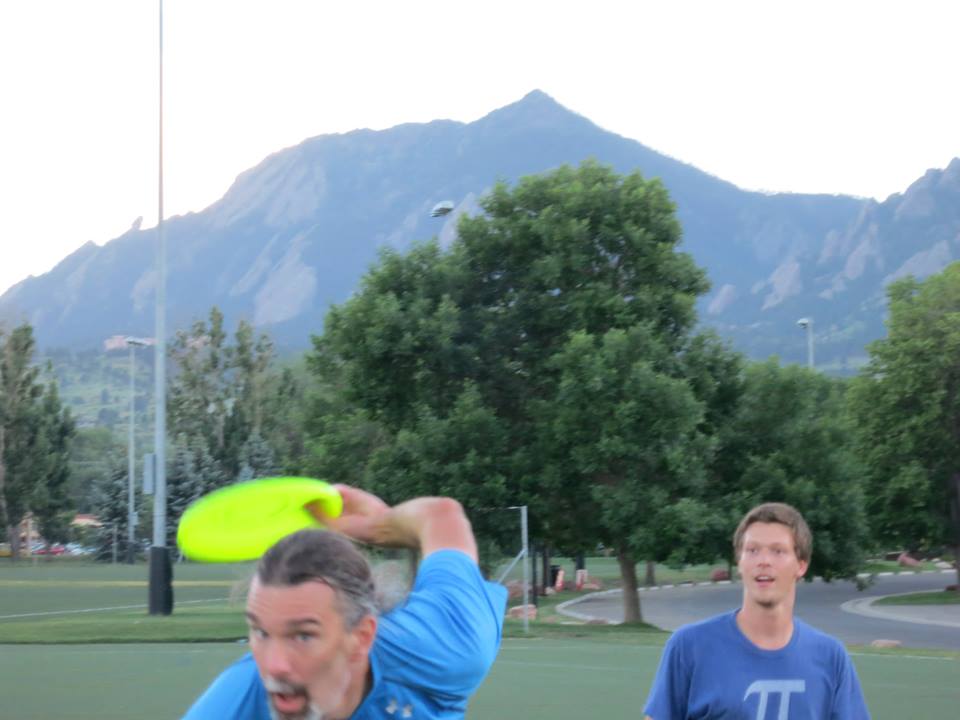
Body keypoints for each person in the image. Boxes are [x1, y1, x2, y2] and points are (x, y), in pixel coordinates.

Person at [182, 485, 507, 719]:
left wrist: (379, 525)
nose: (274, 666)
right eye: (261, 632)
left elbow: (440, 515)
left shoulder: (446, 648)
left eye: (303, 635)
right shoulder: (239, 699)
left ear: (362, 636)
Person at [643, 502, 870, 719]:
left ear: (801, 565)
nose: (764, 561)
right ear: (739, 563)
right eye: (752, 550)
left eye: (778, 551)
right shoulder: (689, 646)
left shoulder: (831, 657)